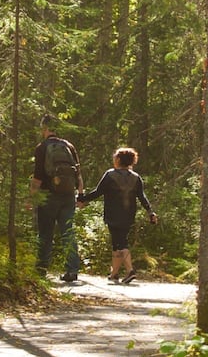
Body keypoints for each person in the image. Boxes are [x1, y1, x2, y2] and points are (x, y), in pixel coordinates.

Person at [77, 147, 157, 284]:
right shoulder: (136, 177)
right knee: (117, 242)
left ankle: (130, 270)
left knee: (121, 242)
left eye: (115, 157)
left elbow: (98, 192)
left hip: (113, 213)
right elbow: (142, 197)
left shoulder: (110, 175)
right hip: (128, 214)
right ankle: (114, 273)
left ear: (119, 159)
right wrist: (150, 212)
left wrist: (82, 199)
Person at [32, 115, 83, 282]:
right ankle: (72, 270)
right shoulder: (69, 146)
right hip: (68, 195)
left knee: (45, 233)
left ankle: (41, 269)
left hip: (48, 195)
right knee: (68, 232)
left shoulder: (42, 148)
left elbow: (38, 176)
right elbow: (78, 174)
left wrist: (31, 197)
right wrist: (80, 195)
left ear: (45, 128)